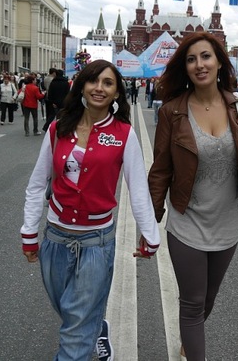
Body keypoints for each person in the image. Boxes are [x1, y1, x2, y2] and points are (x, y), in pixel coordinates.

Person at [147, 32, 238, 361]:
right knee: (192, 304)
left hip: (228, 222)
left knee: (207, 300)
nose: (199, 64)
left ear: (219, 62)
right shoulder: (173, 111)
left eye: (206, 56)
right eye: (191, 59)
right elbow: (160, 169)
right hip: (186, 221)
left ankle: (189, 341)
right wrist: (150, 223)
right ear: (185, 68)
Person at [20, 60, 160, 361]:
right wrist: (29, 232)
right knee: (70, 312)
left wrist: (151, 235)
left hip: (96, 242)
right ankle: (95, 327)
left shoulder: (124, 134)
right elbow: (37, 183)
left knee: (75, 331)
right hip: (55, 238)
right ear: (82, 85)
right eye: (93, 81)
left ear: (117, 92)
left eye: (108, 83)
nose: (99, 88)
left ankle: (88, 330)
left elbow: (138, 188)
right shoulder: (58, 128)